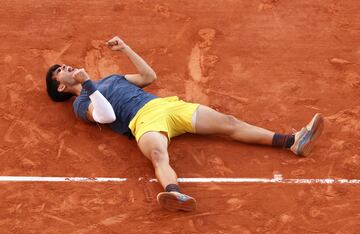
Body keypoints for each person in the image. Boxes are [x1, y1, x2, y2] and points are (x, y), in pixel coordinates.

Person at [45, 36, 324, 212]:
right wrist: (86, 84)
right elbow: (106, 116)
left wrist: (127, 49)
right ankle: (174, 194)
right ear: (60, 88)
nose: (65, 68)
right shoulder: (81, 104)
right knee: (157, 155)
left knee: (228, 122)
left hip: (167, 106)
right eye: (59, 72)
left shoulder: (111, 80)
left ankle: (293, 141)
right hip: (142, 121)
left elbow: (148, 76)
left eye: (64, 65)